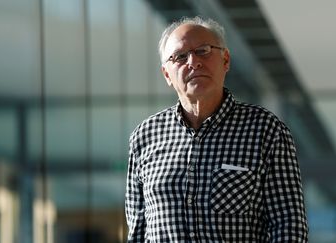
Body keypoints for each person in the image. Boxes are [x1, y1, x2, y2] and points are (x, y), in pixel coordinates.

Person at [125, 16, 308, 242]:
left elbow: (289, 226)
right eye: (180, 56)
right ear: (167, 75)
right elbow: (137, 231)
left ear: (226, 60)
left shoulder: (265, 131)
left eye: (203, 50)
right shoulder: (144, 137)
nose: (193, 62)